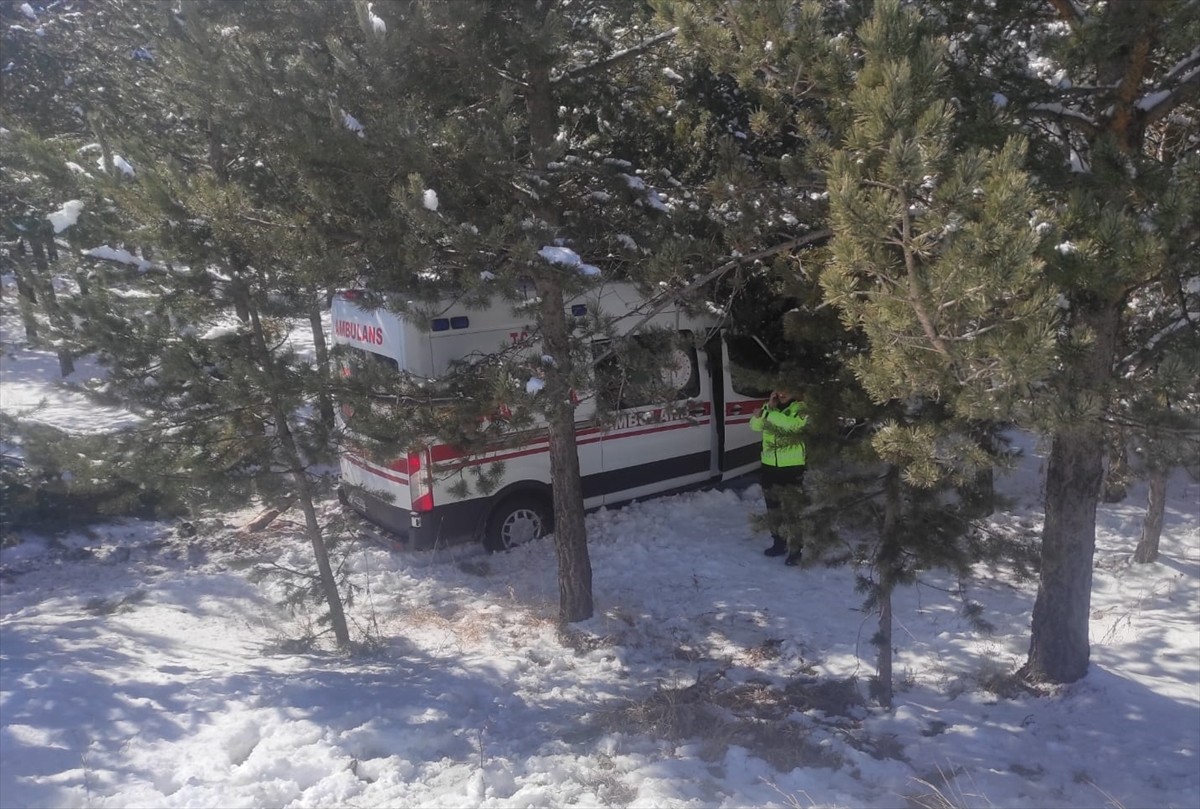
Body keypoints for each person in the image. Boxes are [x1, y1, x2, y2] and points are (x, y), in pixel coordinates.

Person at [749, 388, 808, 566]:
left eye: (787, 390)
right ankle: (778, 543)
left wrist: (767, 413)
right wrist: (767, 408)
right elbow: (754, 426)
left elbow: (793, 425)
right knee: (773, 509)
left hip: (792, 468)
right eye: (779, 390)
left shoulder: (801, 408)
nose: (782, 393)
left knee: (793, 511)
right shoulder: (770, 408)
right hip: (769, 466)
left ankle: (796, 550)